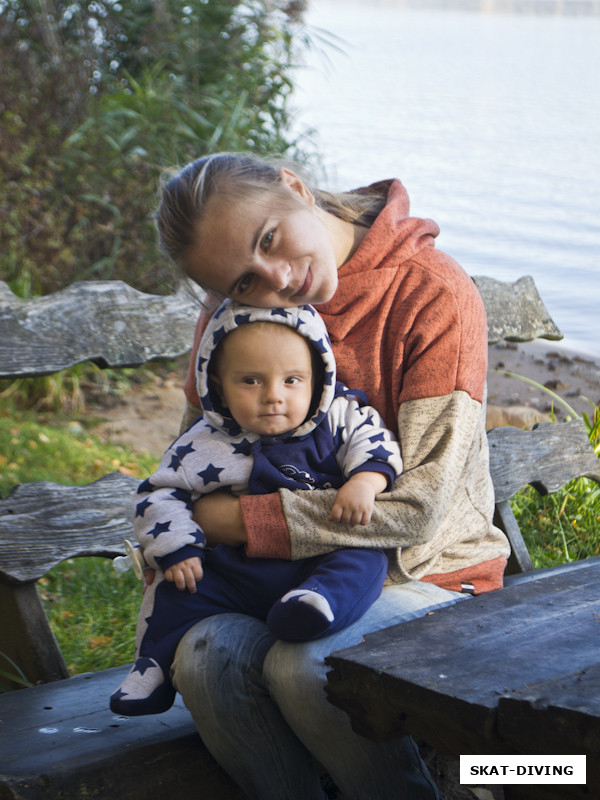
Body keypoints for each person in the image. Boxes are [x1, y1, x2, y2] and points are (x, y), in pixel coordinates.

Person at [151, 152, 511, 800]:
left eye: (270, 240)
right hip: (265, 584)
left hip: (427, 575)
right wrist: (176, 543)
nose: (278, 281)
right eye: (241, 283)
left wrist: (246, 521)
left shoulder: (430, 292)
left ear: (294, 186)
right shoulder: (227, 319)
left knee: (307, 664)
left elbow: (417, 511)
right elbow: (193, 465)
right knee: (206, 660)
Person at [110, 300, 402, 716]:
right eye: (250, 381)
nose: (273, 397)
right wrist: (178, 549)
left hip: (315, 560)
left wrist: (365, 480)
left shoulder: (340, 416)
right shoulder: (204, 441)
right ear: (218, 384)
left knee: (363, 559)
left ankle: (316, 606)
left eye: (292, 380)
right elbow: (158, 494)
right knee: (179, 586)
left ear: (318, 377)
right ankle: (152, 665)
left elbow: (377, 445)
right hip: (239, 572)